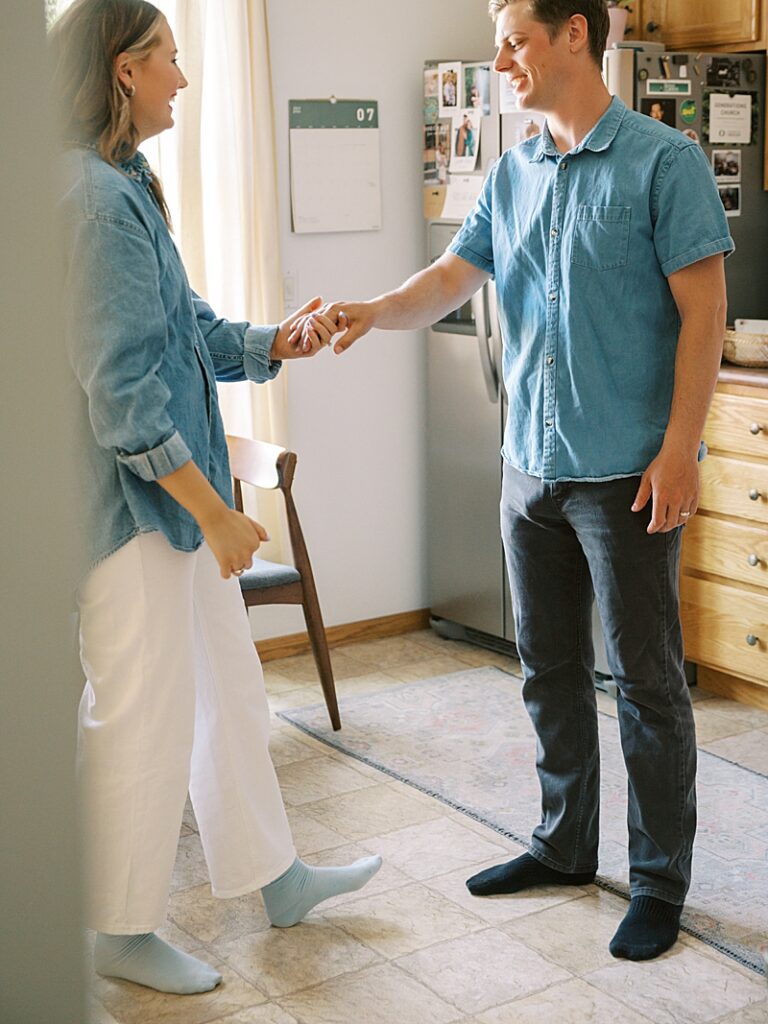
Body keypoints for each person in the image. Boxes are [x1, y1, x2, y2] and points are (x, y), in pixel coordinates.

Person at [297, 0, 732, 962]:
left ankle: (659, 881)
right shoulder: (512, 169)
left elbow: (705, 313)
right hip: (526, 468)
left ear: (575, 34)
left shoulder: (666, 162)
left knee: (648, 683)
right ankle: (564, 843)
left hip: (626, 474)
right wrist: (373, 307)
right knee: (548, 670)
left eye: (513, 38)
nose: (500, 57)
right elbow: (454, 277)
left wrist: (679, 449)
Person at [50, 0, 380, 997]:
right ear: (122, 72)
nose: (184, 82)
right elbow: (124, 398)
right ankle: (113, 926)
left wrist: (278, 338)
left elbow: (185, 327)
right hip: (133, 517)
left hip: (170, 508)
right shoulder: (92, 201)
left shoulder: (128, 181)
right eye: (169, 63)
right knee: (141, 714)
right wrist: (217, 511)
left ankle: (273, 874)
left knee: (229, 689)